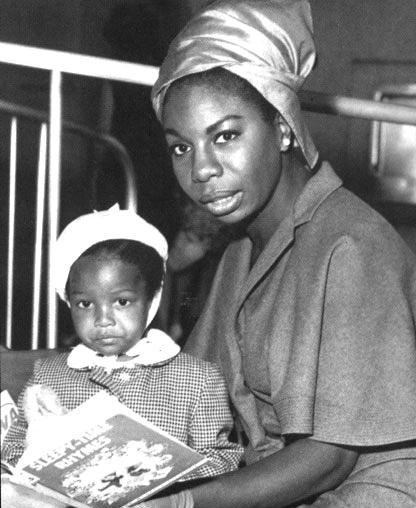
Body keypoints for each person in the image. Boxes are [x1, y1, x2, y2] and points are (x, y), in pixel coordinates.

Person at [149, 0, 416, 506]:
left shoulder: (352, 245)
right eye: (180, 147)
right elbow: (185, 389)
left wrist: (181, 503)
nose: (201, 169)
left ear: (284, 127)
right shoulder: (240, 250)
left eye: (225, 136)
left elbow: (328, 459)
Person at [1, 204, 243, 507]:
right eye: (85, 304)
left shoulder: (197, 379)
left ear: (152, 300)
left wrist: (164, 487)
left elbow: (223, 461)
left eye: (122, 302)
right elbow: (12, 450)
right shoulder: (49, 375)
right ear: (68, 302)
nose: (104, 320)